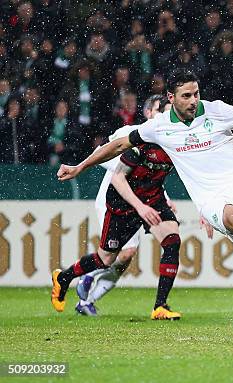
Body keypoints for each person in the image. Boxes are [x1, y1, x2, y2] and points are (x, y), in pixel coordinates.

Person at [56, 69, 233, 341]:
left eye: (196, 94)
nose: (194, 100)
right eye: (186, 96)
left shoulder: (216, 111)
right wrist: (80, 167)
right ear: (172, 97)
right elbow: (117, 145)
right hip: (210, 197)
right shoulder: (158, 127)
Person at [51, 94, 184, 321]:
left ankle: (160, 306)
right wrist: (79, 167)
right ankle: (65, 277)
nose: (167, 117)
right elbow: (108, 159)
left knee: (171, 240)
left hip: (151, 199)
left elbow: (159, 174)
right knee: (108, 258)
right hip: (120, 200)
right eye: (161, 111)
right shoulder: (133, 136)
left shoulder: (175, 141)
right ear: (149, 113)